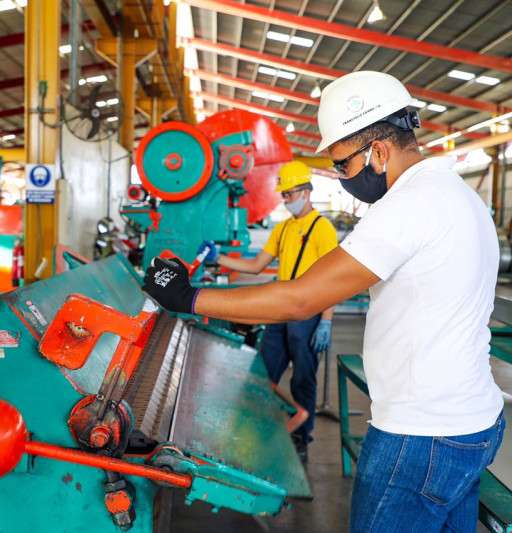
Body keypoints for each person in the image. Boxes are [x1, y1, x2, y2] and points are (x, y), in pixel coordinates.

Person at [143, 71, 504, 532]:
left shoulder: (409, 206)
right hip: (473, 422)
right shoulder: (459, 194)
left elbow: (300, 299)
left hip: (420, 436)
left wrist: (187, 297)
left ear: (378, 150)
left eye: (343, 166)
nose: (341, 178)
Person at [198, 160, 337, 463]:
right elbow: (256, 265)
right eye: (284, 196)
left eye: (290, 194)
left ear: (306, 191)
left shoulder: (322, 229)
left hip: (308, 315)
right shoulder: (284, 228)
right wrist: (219, 257)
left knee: (303, 380)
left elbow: (332, 281)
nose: (286, 200)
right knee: (264, 374)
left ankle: (301, 440)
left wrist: (325, 321)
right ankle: (258, 431)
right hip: (280, 313)